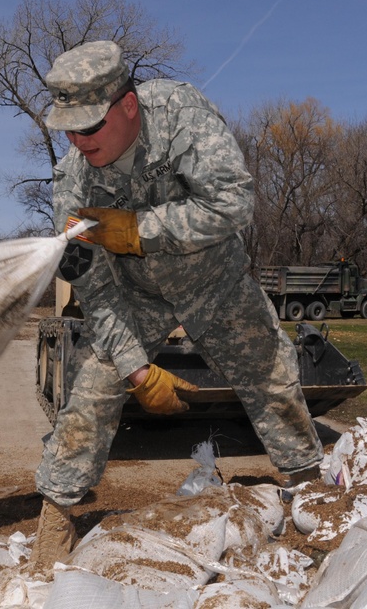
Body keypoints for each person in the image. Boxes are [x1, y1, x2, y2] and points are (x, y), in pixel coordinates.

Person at [31, 40, 324, 568]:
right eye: (67, 128)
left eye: (89, 125)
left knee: (273, 377)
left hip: (216, 279)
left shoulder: (180, 114)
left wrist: (140, 230)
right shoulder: (72, 185)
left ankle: (312, 491)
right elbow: (95, 289)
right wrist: (137, 370)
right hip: (137, 296)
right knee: (91, 396)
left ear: (127, 105)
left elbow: (233, 203)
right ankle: (53, 522)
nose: (77, 139)